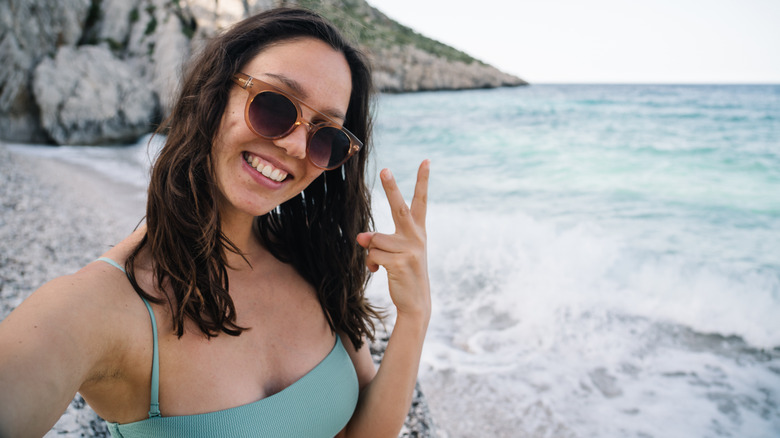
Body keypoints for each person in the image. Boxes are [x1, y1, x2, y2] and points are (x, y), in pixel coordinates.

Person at [0, 7, 431, 438]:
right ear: (214, 94)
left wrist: (414, 313)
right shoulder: (102, 306)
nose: (298, 146)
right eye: (275, 106)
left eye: (326, 135)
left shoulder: (312, 257)